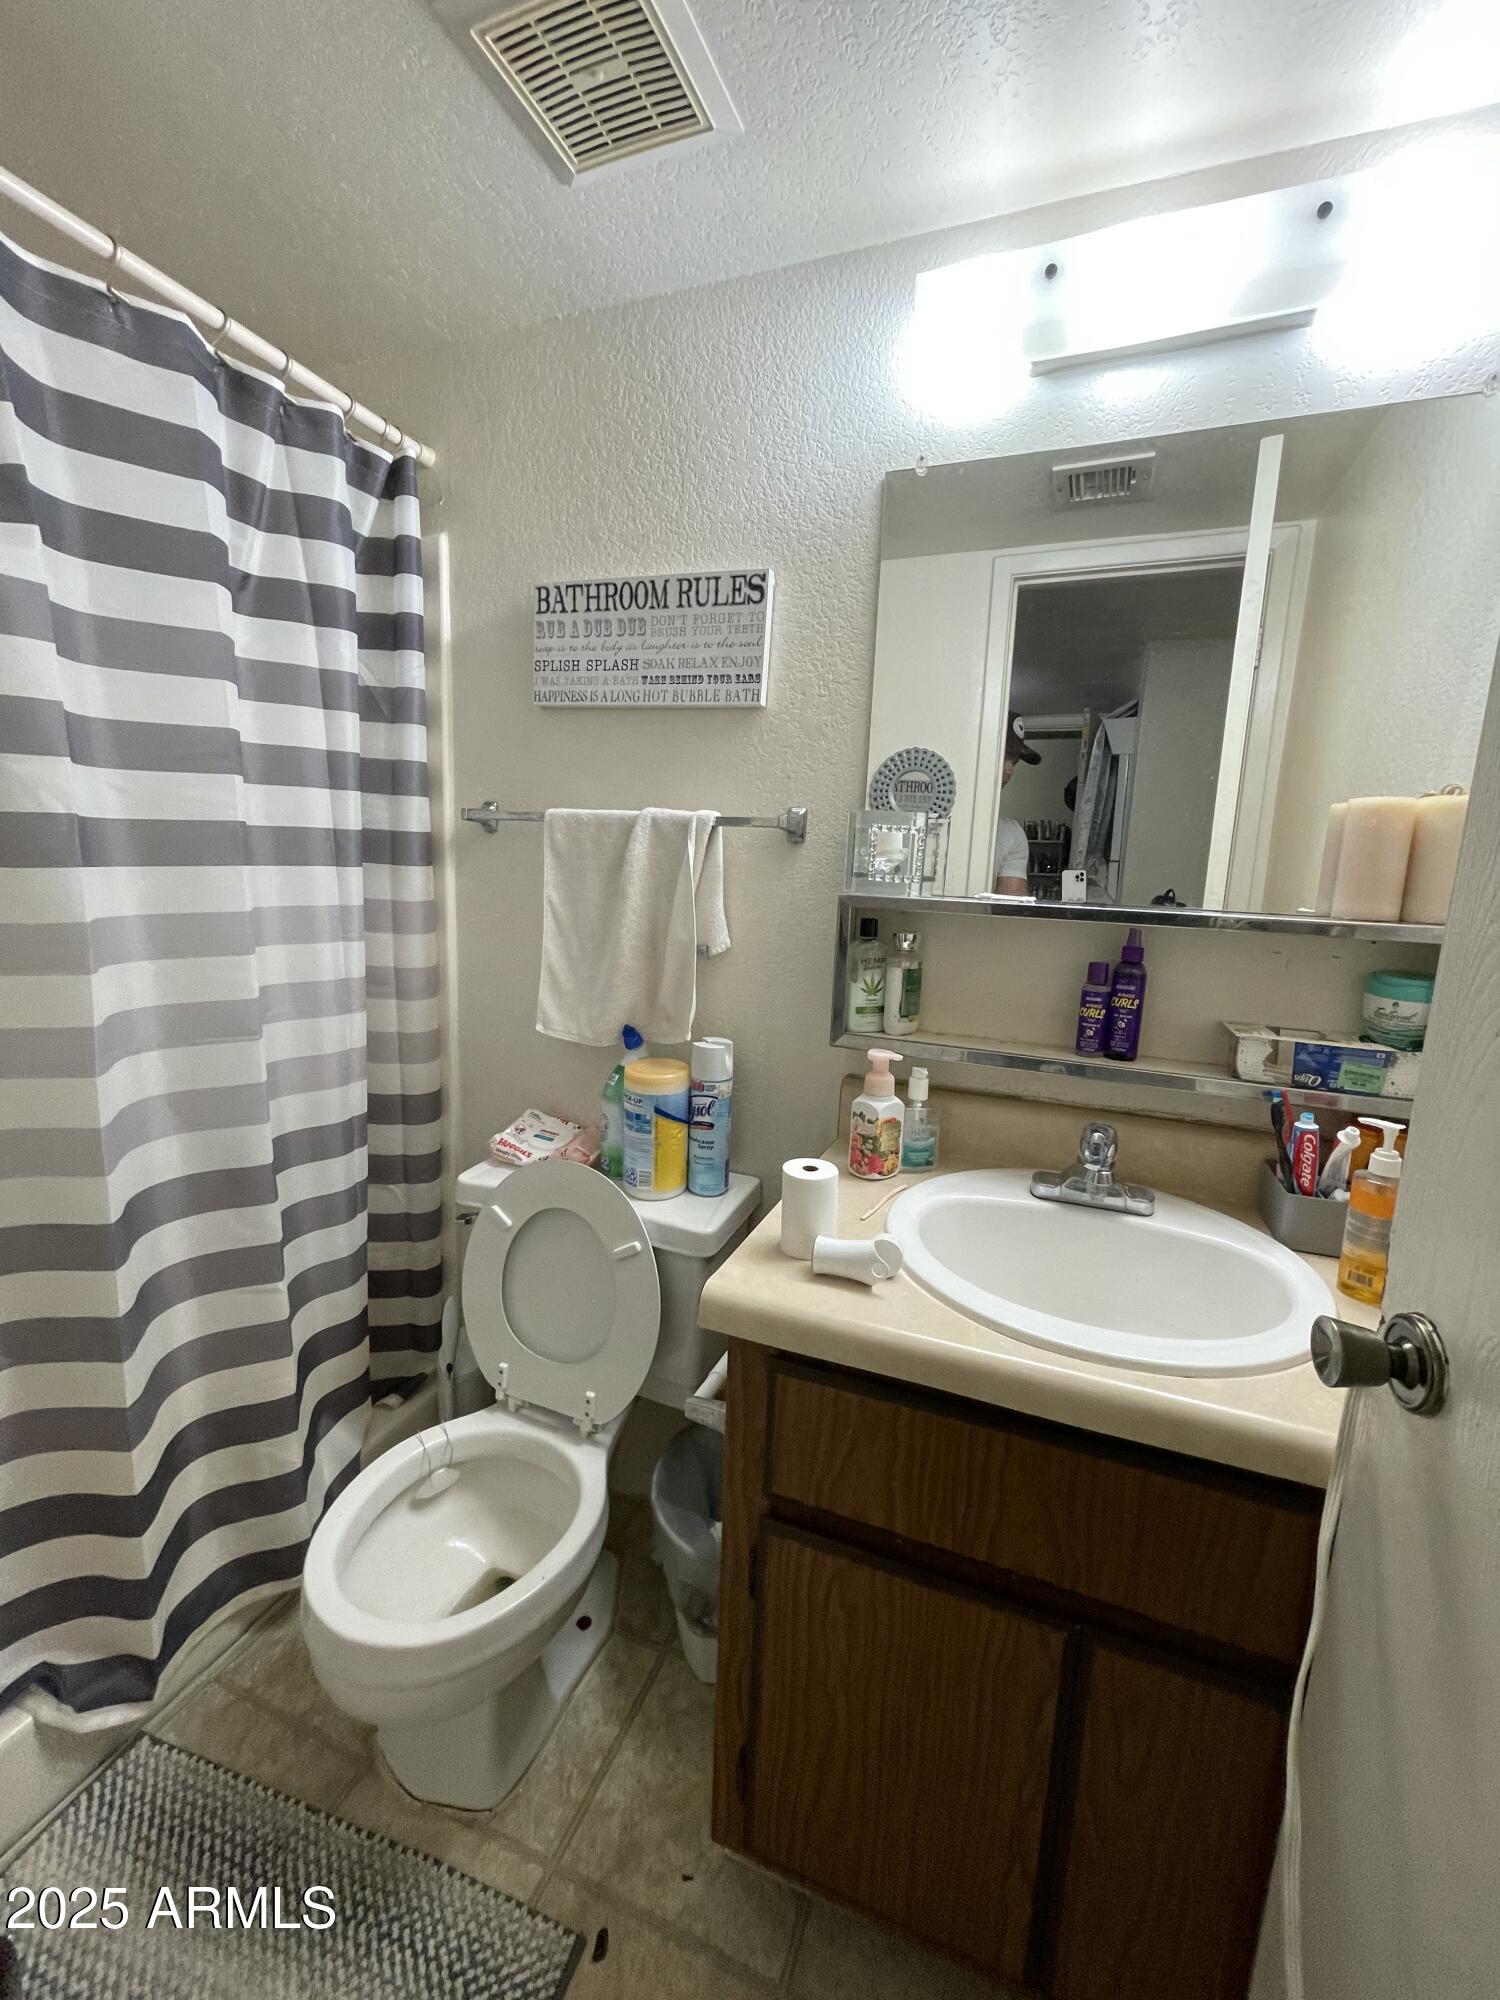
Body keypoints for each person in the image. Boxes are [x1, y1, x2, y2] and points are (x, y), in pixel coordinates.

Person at [992, 712, 1040, 893]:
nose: (1010, 770)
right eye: (1003, 756)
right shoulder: (931, 817)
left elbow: (1009, 907)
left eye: (1014, 760)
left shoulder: (1011, 834)